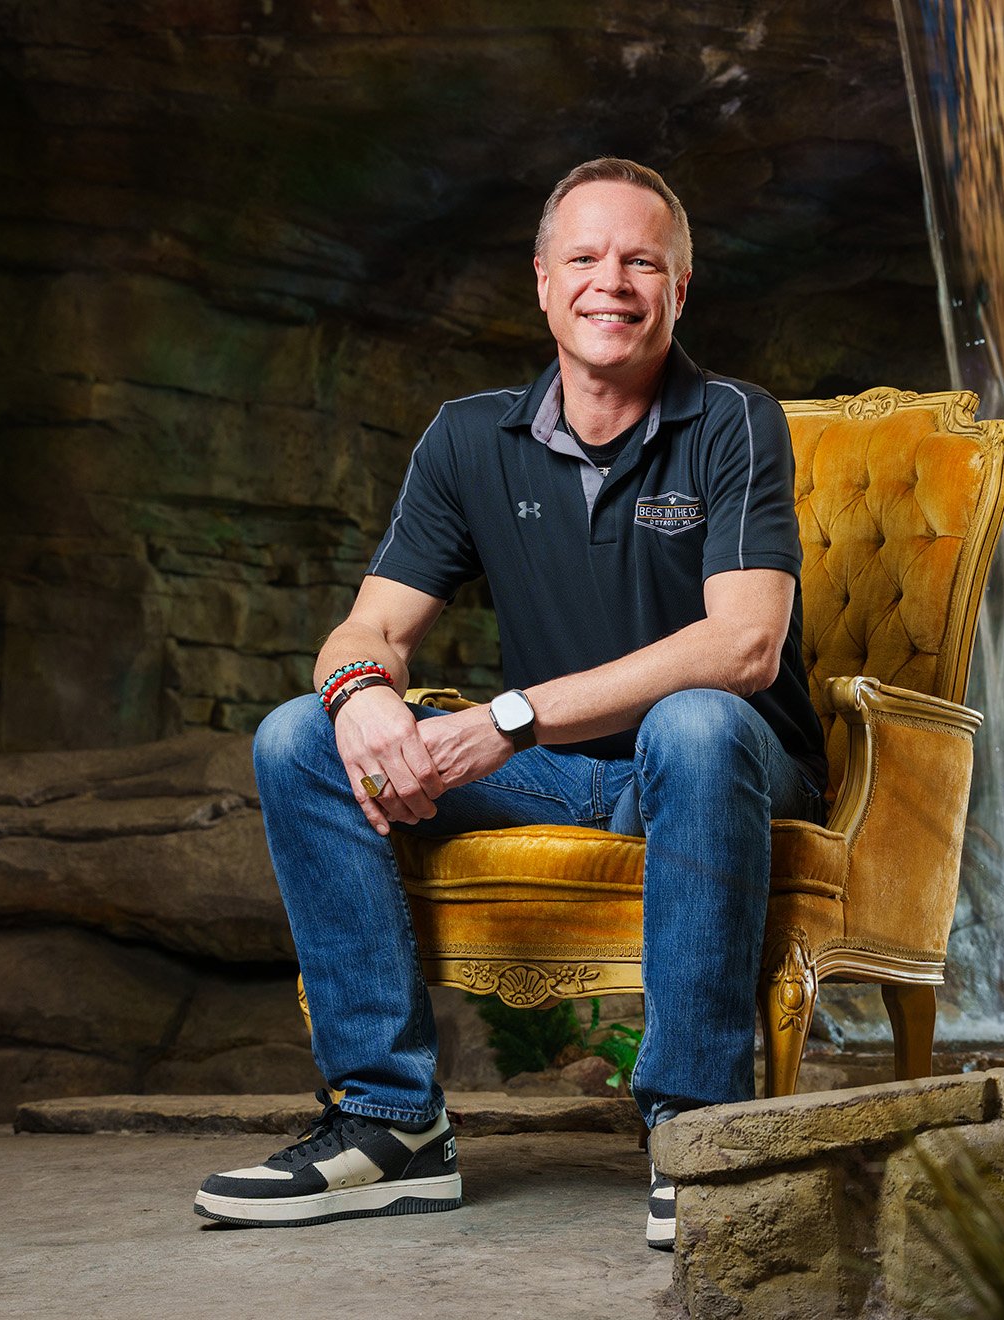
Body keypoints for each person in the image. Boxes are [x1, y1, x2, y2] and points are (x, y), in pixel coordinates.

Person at [192, 157, 826, 1250]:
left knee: (697, 718)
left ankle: (695, 1130)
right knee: (299, 736)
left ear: (681, 285)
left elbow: (744, 647)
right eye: (585, 258)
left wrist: (509, 718)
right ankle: (391, 1127)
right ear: (541, 281)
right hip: (564, 775)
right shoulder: (466, 437)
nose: (611, 283)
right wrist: (357, 697)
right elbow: (370, 632)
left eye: (642, 261)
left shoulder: (732, 421)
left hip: (721, 765)